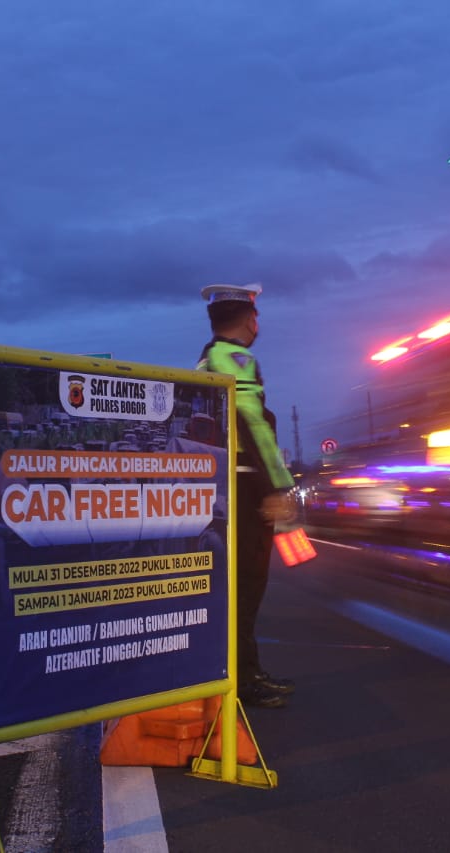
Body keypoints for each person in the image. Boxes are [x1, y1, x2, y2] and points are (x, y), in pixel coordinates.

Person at [196, 282, 297, 709]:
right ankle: (243, 679)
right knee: (247, 586)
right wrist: (277, 487)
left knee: (232, 587)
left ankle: (243, 671)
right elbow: (254, 424)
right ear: (250, 320)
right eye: (256, 316)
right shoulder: (237, 359)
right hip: (245, 484)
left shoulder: (206, 359)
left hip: (221, 485)